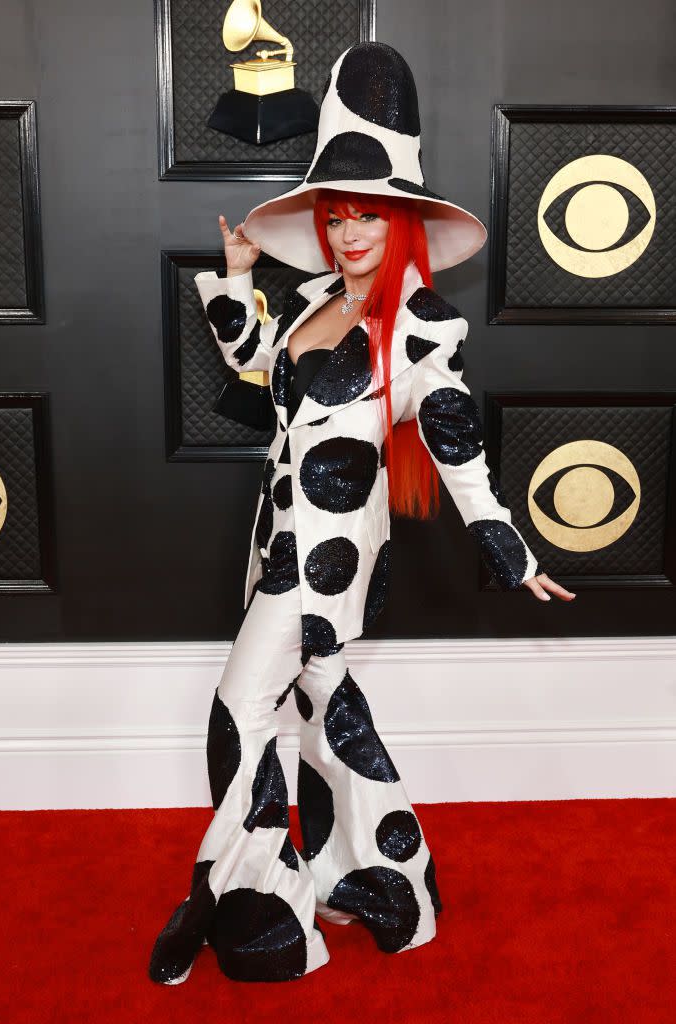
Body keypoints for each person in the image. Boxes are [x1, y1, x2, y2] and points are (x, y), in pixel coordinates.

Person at [148, 41, 575, 988]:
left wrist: (508, 547)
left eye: (366, 220)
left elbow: (457, 447)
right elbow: (261, 369)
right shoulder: (308, 304)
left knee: (240, 705)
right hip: (274, 544)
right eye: (335, 217)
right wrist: (234, 282)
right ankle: (386, 882)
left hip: (330, 567)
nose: (347, 236)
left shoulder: (426, 325)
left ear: (401, 224)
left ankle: (255, 907)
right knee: (319, 710)